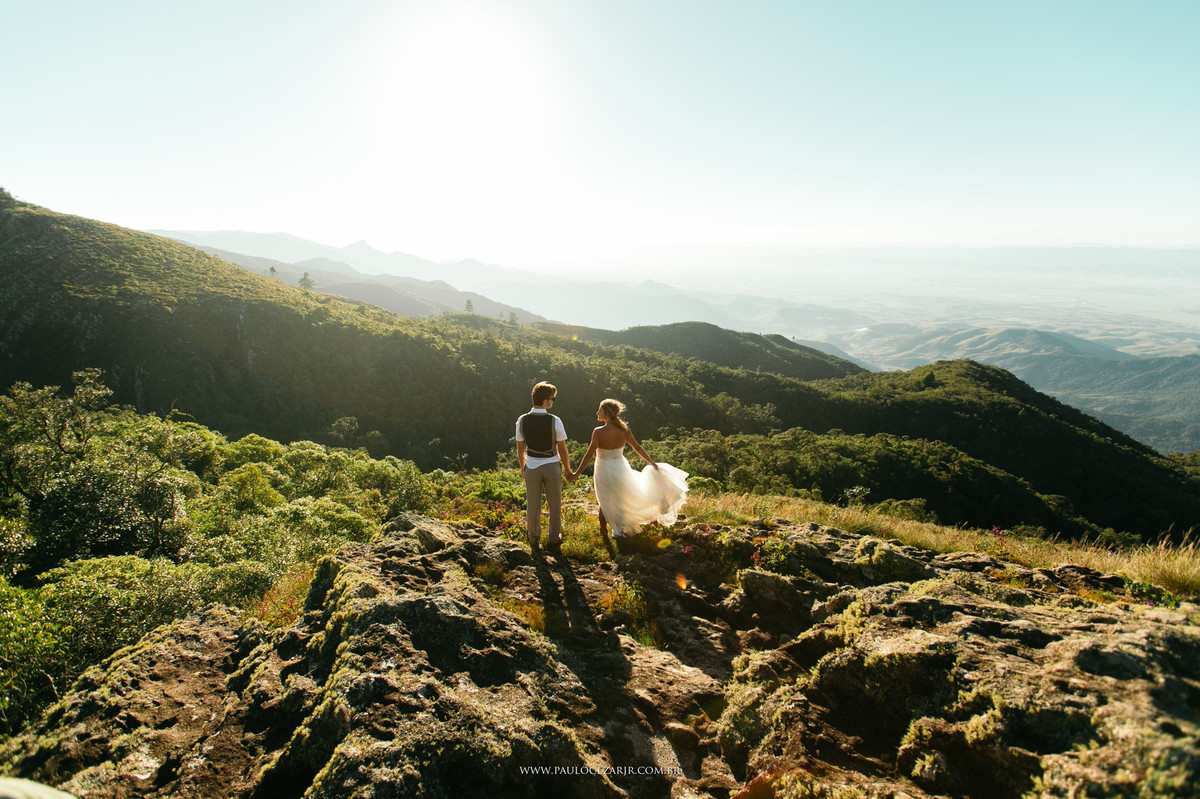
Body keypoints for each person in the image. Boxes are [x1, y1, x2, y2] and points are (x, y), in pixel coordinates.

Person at [574, 398, 688, 540]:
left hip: (603, 469)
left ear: (607, 413)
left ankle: (603, 532)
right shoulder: (624, 430)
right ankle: (619, 529)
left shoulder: (598, 432)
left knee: (604, 501)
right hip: (621, 467)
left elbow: (588, 455)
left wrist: (576, 473)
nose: (597, 412)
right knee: (620, 499)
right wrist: (651, 462)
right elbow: (637, 447)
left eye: (600, 410)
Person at [516, 381, 573, 556]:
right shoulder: (555, 421)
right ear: (546, 401)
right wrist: (567, 469)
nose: (553, 401)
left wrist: (522, 466)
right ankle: (553, 537)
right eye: (552, 398)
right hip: (551, 465)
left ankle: (533, 538)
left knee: (533, 503)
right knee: (554, 502)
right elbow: (562, 448)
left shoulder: (522, 420)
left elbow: (520, 448)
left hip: (531, 465)